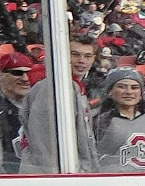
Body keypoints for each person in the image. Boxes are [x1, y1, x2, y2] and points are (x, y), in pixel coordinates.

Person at [20, 35, 98, 173]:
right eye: (75, 54)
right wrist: (55, 177)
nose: (81, 61)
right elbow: (42, 139)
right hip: (50, 175)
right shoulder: (52, 87)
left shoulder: (75, 86)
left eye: (87, 56)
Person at [91, 68, 145, 172]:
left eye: (134, 87)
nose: (129, 92)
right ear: (110, 92)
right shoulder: (97, 119)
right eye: (121, 87)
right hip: (112, 181)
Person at [0, 52, 33, 173]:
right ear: (1, 76)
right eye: (17, 73)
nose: (25, 78)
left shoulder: (38, 106)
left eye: (28, 73)